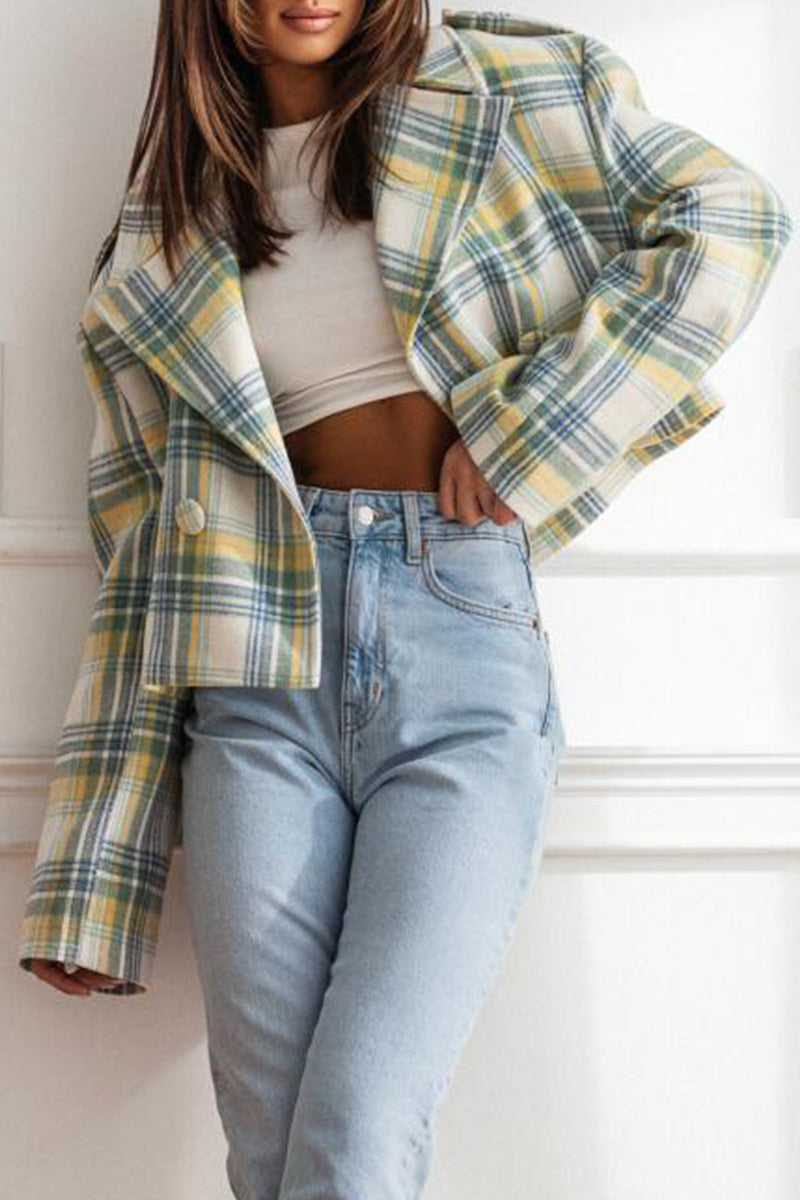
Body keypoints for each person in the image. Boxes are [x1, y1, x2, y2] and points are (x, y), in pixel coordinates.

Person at [18, 3, 792, 1197]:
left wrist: (535, 435)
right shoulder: (161, 237)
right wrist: (95, 875)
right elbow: (139, 564)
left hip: (456, 641)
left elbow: (730, 219)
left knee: (357, 1122)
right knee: (270, 1141)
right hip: (253, 673)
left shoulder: (509, 87)